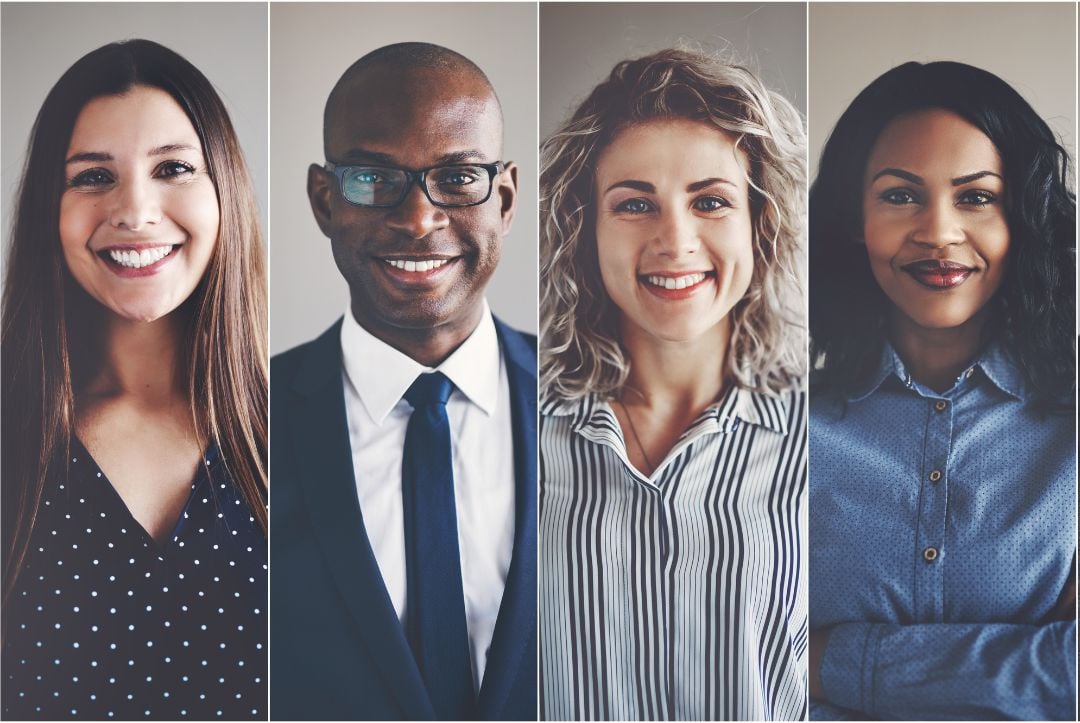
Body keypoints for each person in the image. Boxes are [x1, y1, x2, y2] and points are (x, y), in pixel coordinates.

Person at [0, 40, 268, 720]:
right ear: (47, 209)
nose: (136, 210)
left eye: (173, 167)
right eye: (93, 176)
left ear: (224, 192)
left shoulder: (315, 429)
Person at [269, 42, 536, 721]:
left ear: (504, 199)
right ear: (323, 200)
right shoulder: (238, 418)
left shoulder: (596, 402)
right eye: (372, 177)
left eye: (457, 178)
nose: (419, 220)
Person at [539, 49, 808, 720]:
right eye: (635, 204)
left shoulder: (829, 437)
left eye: (710, 201)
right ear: (586, 231)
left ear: (760, 222)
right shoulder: (512, 433)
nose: (675, 240)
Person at [808, 61, 1076, 720]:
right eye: (900, 196)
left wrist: (830, 660)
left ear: (1024, 217)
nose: (938, 232)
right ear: (853, 219)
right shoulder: (782, 425)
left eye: (976, 196)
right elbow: (742, 650)